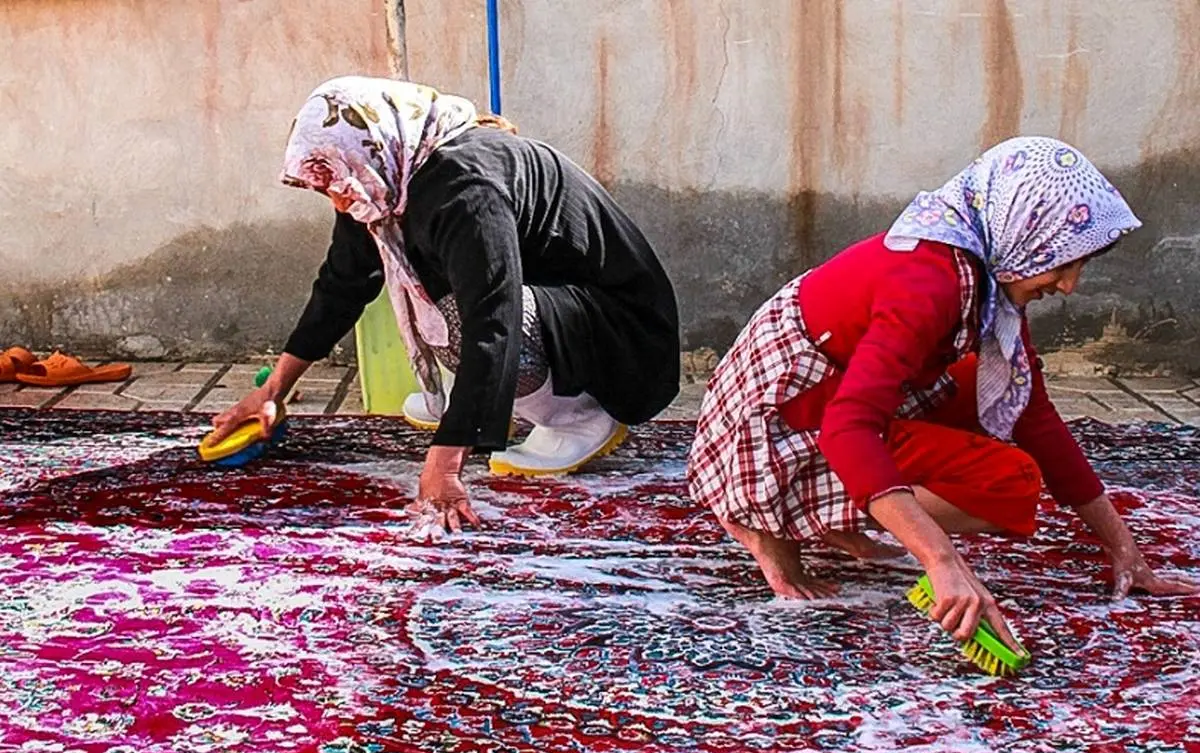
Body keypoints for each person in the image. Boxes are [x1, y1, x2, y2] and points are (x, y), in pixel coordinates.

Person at [687, 136, 1198, 650]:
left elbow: (1032, 414)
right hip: (780, 414)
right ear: (1023, 228)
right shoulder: (929, 284)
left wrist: (1124, 548)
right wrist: (940, 560)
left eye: (1078, 266)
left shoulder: (983, 267)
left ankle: (831, 513)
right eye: (1062, 263)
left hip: (839, 386)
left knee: (999, 389)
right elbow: (848, 428)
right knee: (1012, 484)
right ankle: (767, 520)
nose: (1069, 286)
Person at [212, 76, 680, 529]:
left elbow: (494, 321)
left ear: (368, 149)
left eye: (334, 181)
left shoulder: (464, 187)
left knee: (457, 321)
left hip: (626, 345)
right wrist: (271, 391)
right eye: (324, 187)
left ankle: (578, 417)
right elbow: (343, 283)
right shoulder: (381, 177)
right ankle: (505, 402)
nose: (337, 200)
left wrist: (447, 463)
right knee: (429, 301)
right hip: (565, 315)